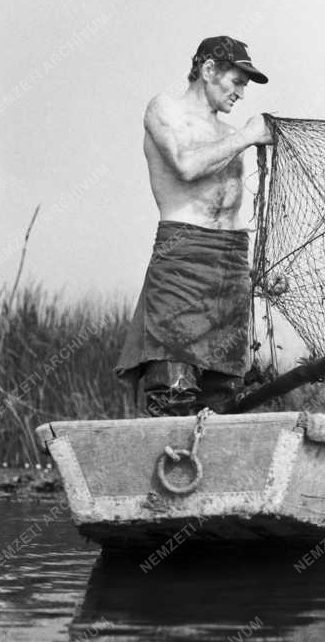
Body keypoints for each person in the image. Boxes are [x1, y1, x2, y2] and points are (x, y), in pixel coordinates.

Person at [115, 36, 273, 415]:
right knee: (173, 389)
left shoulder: (226, 132)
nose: (241, 94)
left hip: (231, 264)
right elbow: (185, 166)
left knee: (221, 397)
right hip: (182, 258)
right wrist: (249, 136)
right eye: (236, 81)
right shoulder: (165, 108)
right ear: (207, 70)